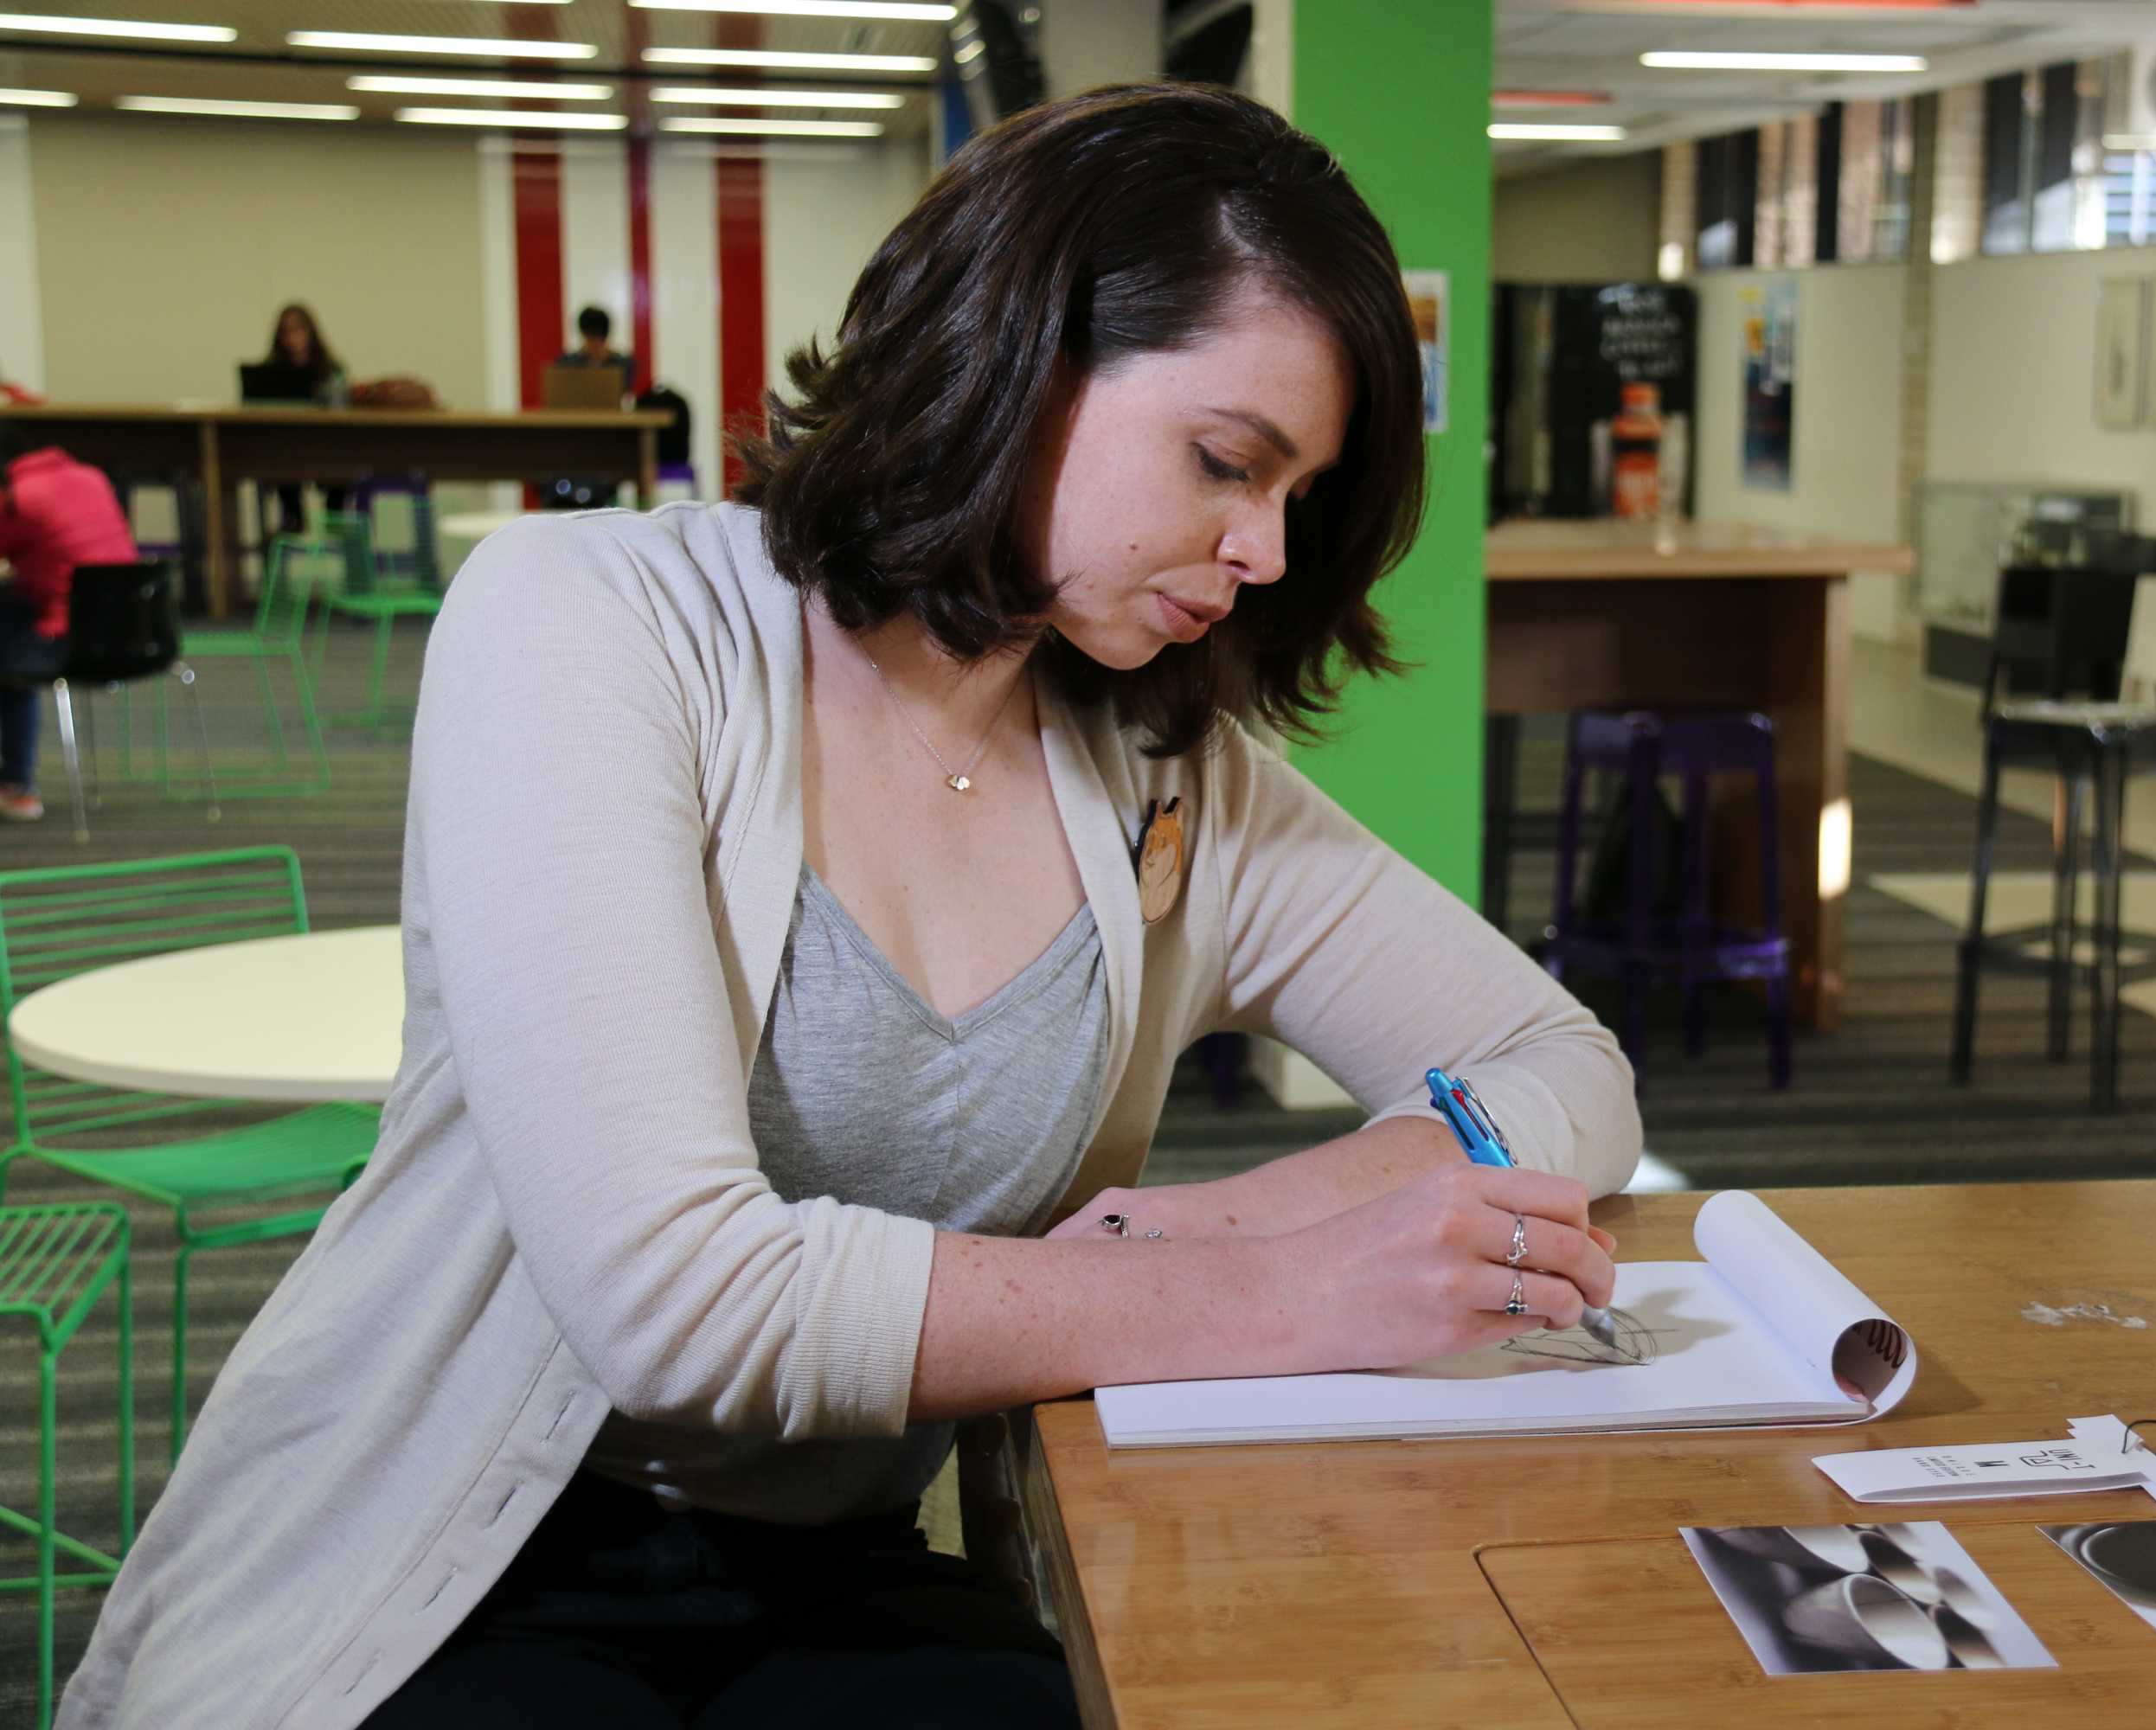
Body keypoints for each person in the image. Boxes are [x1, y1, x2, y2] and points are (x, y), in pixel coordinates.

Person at [59, 84, 1639, 1729]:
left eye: (1296, 498)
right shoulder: (594, 627)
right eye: (1226, 463)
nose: (1259, 549)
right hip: (450, 1548)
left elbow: (1563, 1065)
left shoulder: (1172, 769)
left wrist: (1222, 1224)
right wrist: (1294, 1291)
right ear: (1017, 355)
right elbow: (680, 1307)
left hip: (841, 1556)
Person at [0, 424, 138, 821]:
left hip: (71, 641)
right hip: (135, 632)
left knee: (8, 659)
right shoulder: (90, 476)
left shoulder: (18, 497)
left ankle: (17, 784)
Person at [263, 303, 348, 533]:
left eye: (298, 330)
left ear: (311, 333)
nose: (293, 338)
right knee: (282, 467)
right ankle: (294, 521)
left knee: (344, 467)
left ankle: (334, 521)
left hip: (325, 447)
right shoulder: (269, 372)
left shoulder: (330, 369)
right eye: (287, 332)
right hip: (286, 449)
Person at [556, 304, 636, 393]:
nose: (595, 345)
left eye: (599, 338)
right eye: (592, 339)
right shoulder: (567, 362)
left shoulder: (623, 363)